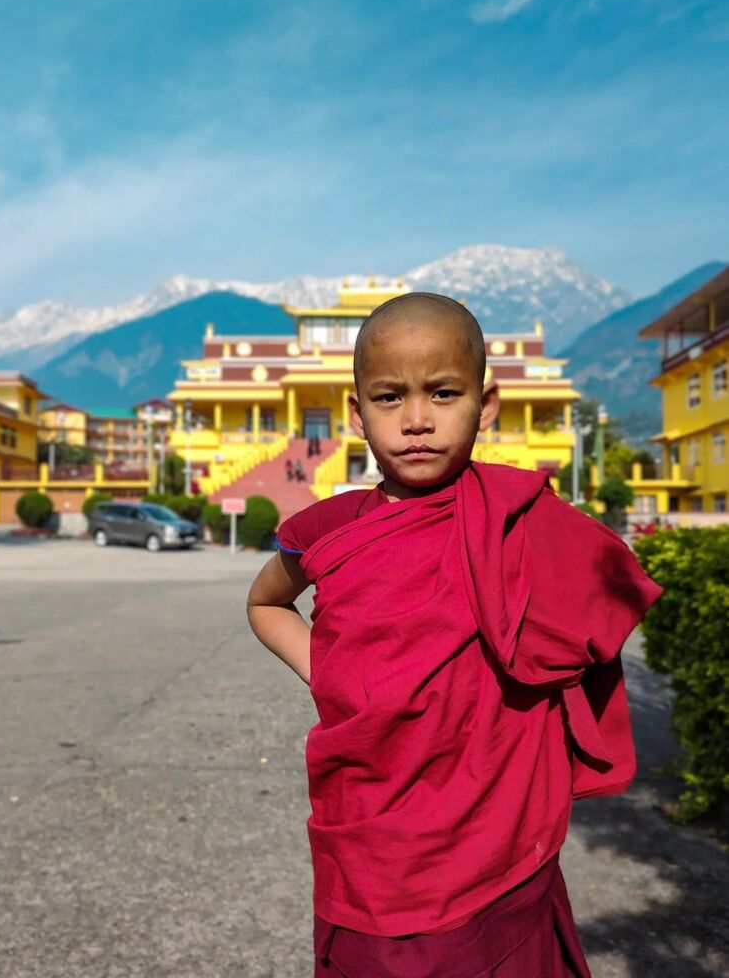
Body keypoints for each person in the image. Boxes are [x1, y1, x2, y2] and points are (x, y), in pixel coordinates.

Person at [247, 292, 662, 978]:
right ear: (357, 413)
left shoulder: (521, 518)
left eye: (443, 393)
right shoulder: (332, 530)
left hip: (494, 835)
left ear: (486, 402)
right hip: (373, 825)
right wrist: (331, 672)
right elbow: (266, 604)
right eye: (389, 397)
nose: (416, 421)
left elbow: (607, 598)